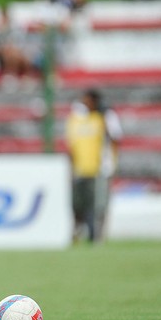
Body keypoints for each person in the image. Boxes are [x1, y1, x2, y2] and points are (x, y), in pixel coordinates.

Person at [65, 89, 123, 243]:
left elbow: (115, 139)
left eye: (87, 100)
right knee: (78, 204)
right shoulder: (79, 118)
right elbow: (73, 144)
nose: (84, 104)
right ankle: (78, 232)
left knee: (99, 204)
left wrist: (112, 162)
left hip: (101, 167)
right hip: (81, 167)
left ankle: (98, 236)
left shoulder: (106, 117)